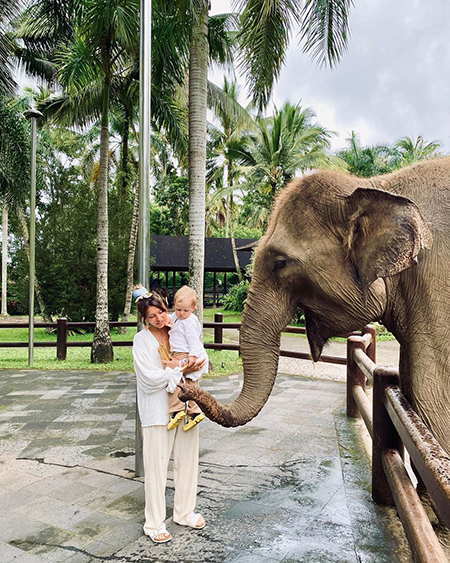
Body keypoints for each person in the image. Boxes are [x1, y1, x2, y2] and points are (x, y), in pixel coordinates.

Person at [132, 287, 207, 544]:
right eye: (152, 316)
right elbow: (148, 379)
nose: (159, 318)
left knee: (187, 461)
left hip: (186, 404)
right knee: (156, 466)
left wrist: (187, 367)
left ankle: (184, 512)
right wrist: (178, 371)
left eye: (161, 312)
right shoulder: (141, 341)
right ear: (145, 319)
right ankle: (154, 523)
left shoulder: (180, 326)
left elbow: (201, 361)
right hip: (157, 410)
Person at [164, 286, 208, 432]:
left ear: (193, 308)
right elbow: (167, 319)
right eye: (178, 309)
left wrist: (192, 356)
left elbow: (194, 341)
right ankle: (195, 411)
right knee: (190, 383)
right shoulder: (176, 317)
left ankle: (177, 411)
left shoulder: (190, 322)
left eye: (185, 310)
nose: (181, 313)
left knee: (175, 380)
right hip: (178, 352)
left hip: (184, 353)